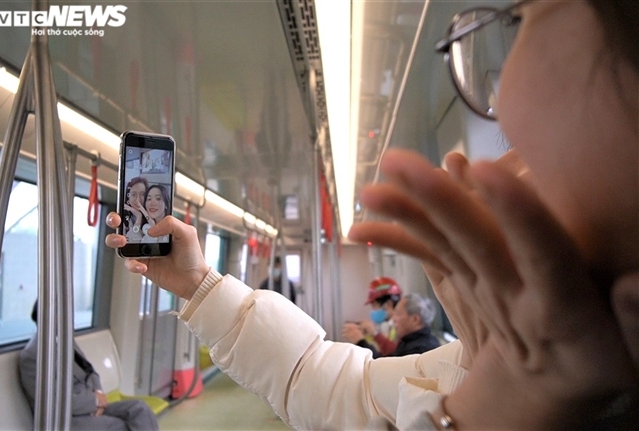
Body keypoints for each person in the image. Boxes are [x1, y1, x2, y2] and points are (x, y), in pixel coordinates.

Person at [105, 0, 639, 429]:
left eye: (525, 19)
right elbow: (335, 388)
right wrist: (199, 284)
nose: (505, 158)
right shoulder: (480, 357)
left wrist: (502, 402)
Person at [19, 301, 159, 431]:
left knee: (140, 409)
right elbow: (54, 402)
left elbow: (89, 370)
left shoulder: (65, 340)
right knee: (120, 426)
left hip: (91, 404)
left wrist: (98, 392)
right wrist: (95, 402)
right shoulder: (33, 356)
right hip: (66, 419)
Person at [356, 294, 440, 359]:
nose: (394, 319)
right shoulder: (408, 341)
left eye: (398, 314)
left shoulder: (420, 350)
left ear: (415, 319)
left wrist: (360, 341)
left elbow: (385, 369)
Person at [342, 277, 402, 356]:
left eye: (374, 305)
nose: (373, 310)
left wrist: (374, 333)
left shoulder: (402, 326)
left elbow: (396, 354)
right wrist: (364, 335)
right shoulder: (387, 326)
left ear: (388, 304)